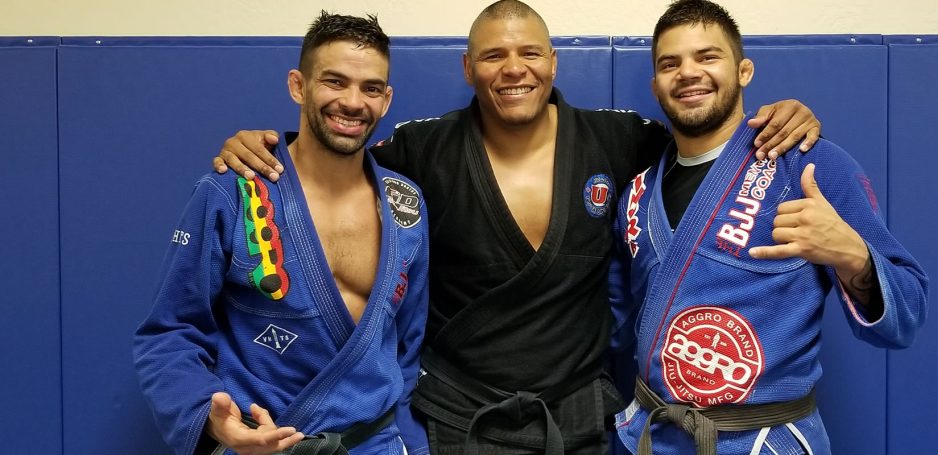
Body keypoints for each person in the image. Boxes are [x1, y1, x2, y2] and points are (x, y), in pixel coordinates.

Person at [213, 2, 822, 453]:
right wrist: (268, 147)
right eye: (492, 56)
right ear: (468, 68)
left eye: (530, 53)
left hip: (577, 420)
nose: (513, 69)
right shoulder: (424, 148)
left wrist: (780, 115)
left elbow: (705, 143)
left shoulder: (617, 139)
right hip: (459, 418)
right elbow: (337, 155)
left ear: (553, 62)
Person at [609, 1, 928, 454]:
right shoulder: (637, 194)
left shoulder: (807, 164)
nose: (688, 72)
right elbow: (615, 321)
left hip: (765, 440)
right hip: (656, 438)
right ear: (655, 84)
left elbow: (906, 314)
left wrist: (854, 256)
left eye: (707, 56)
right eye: (669, 64)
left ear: (744, 71)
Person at [133, 12, 430, 455]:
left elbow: (408, 346)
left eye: (371, 88)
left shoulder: (405, 204)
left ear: (386, 100)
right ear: (298, 86)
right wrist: (213, 421)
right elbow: (170, 332)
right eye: (334, 81)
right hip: (257, 442)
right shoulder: (232, 192)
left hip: (375, 443)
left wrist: (414, 445)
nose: (353, 102)